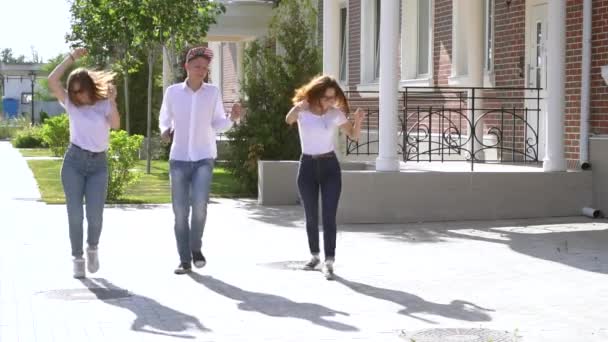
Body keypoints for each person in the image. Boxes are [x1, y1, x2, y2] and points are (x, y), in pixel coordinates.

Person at [159, 46, 242, 275]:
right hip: (178, 158)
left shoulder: (212, 93)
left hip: (204, 157)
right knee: (179, 212)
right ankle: (184, 260)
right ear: (186, 66)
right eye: (197, 66)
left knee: (200, 208)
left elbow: (217, 124)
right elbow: (164, 118)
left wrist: (232, 119)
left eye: (205, 68)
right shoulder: (173, 92)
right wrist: (165, 131)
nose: (201, 71)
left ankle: (195, 249)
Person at [48, 48, 120, 278]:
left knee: (95, 215)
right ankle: (77, 257)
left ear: (89, 87)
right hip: (74, 163)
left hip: (98, 165)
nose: (77, 95)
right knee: (75, 214)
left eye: (80, 90)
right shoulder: (70, 103)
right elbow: (51, 80)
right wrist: (71, 58)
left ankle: (92, 248)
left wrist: (113, 101)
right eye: (73, 91)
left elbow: (117, 125)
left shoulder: (103, 104)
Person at [285, 75, 365, 280]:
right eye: (327, 97)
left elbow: (353, 135)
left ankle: (329, 261)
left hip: (330, 167)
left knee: (329, 216)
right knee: (311, 216)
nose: (330, 101)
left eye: (333, 97)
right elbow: (289, 120)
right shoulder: (303, 112)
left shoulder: (335, 114)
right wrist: (298, 107)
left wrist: (358, 122)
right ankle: (314, 256)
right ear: (317, 95)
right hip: (307, 167)